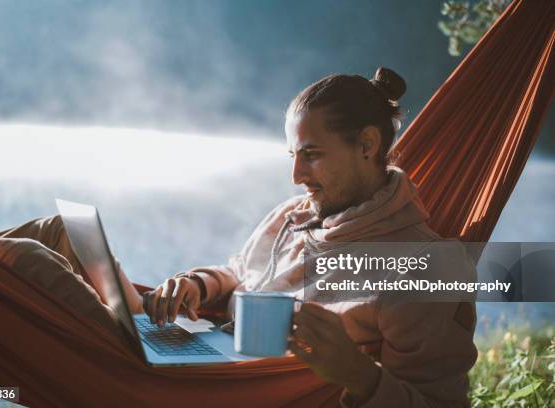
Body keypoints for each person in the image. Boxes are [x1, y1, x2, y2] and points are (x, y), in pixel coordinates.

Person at [143, 67, 478, 407]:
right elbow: (242, 271)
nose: (296, 176)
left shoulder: (423, 266)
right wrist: (197, 285)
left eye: (312, 155)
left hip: (231, 393)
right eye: (293, 156)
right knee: (94, 304)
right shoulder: (293, 214)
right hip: (203, 375)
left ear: (366, 145)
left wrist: (359, 375)